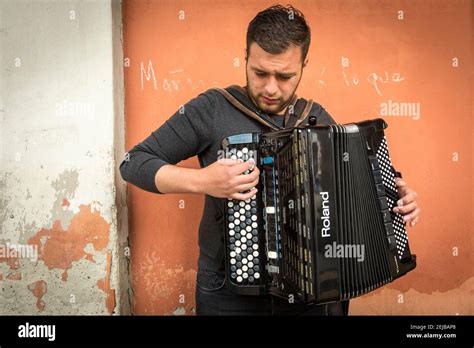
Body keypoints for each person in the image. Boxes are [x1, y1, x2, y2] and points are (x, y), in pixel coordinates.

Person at [119, 4, 420, 316]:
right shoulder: (211, 109)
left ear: (304, 65)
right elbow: (133, 163)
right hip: (228, 293)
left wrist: (395, 199)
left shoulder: (317, 120)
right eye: (260, 72)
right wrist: (202, 181)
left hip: (311, 293)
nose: (271, 88)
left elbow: (356, 187)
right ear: (246, 57)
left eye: (285, 75)